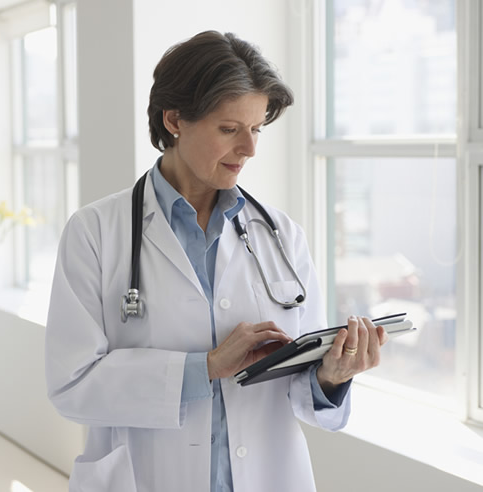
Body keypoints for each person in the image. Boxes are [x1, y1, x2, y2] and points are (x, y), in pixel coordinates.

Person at [45, 30, 387, 492]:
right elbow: (72, 386)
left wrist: (332, 376)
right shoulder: (94, 233)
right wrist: (203, 367)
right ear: (174, 120)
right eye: (229, 130)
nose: (249, 149)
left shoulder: (282, 237)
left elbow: (301, 388)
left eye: (257, 129)